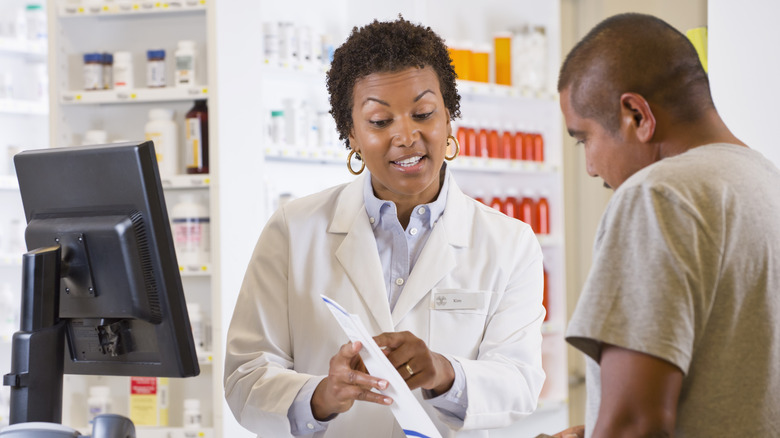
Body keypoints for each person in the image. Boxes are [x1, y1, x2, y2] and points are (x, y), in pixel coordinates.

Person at [224, 17, 546, 438]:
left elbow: (520, 384)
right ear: (351, 133)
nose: (406, 135)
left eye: (424, 113)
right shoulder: (292, 231)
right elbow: (245, 377)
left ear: (449, 118)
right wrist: (322, 395)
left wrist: (443, 372)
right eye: (380, 121)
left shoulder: (509, 242)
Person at [552, 13, 780, 438]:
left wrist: (614, 424)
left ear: (636, 115)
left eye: (584, 139)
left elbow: (636, 425)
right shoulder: (765, 181)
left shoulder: (657, 195)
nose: (589, 167)